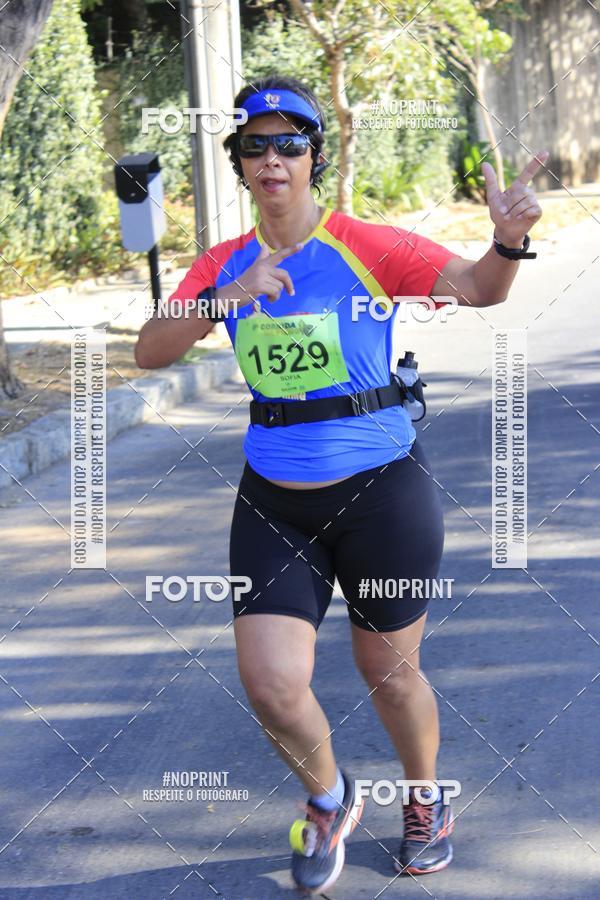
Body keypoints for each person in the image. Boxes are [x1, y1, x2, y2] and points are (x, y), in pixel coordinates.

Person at [135, 74, 547, 894]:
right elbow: (151, 351)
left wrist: (505, 244)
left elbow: (475, 290)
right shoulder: (223, 262)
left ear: (313, 158)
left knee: (389, 671)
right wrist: (227, 295)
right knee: (271, 684)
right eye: (257, 145)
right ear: (241, 164)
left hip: (381, 491)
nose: (273, 158)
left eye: (291, 143)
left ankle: (427, 798)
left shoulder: (367, 244)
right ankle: (330, 798)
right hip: (273, 498)